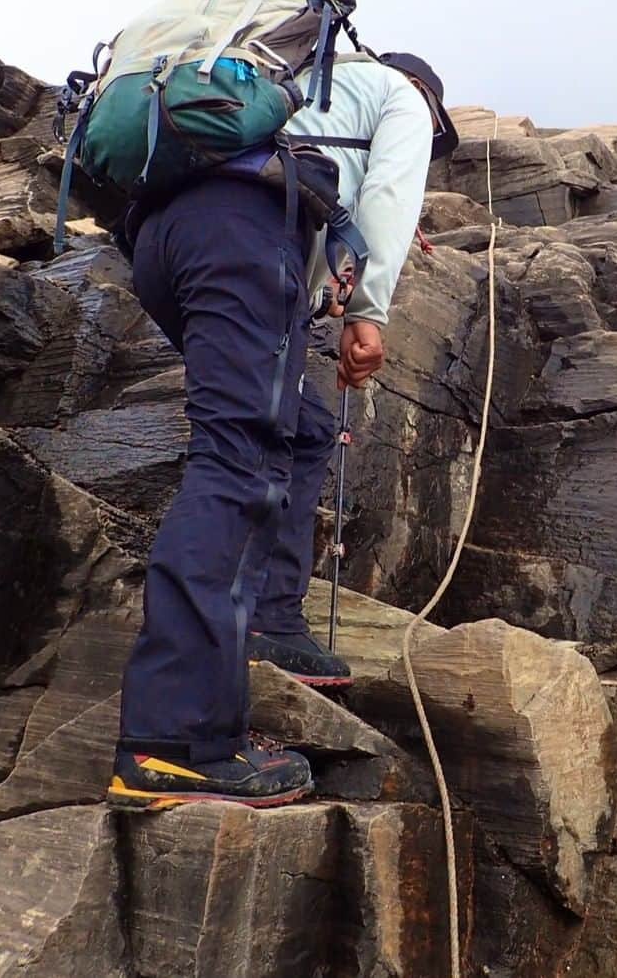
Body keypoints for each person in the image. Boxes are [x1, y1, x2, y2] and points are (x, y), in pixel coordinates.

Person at [108, 50, 455, 811]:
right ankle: (174, 742)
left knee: (298, 427)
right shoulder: (398, 96)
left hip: (166, 239)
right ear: (428, 100)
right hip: (238, 231)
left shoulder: (294, 93)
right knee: (236, 463)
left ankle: (267, 617)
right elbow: (389, 196)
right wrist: (368, 311)